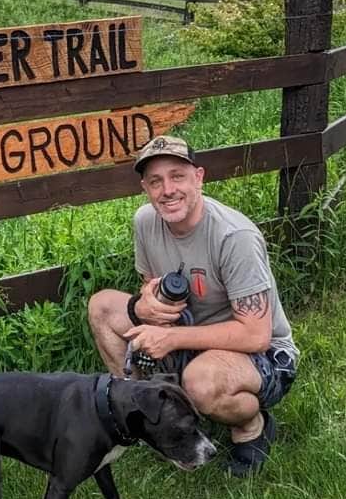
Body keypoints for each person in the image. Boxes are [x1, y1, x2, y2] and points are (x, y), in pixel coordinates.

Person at [87, 135, 298, 477]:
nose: (167, 189)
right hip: (187, 335)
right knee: (101, 306)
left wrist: (170, 339)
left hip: (260, 355)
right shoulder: (145, 221)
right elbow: (150, 283)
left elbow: (257, 334)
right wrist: (147, 305)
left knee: (200, 382)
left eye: (177, 176)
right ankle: (145, 417)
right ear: (145, 188)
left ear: (199, 177)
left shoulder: (234, 237)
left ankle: (251, 425)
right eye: (156, 181)